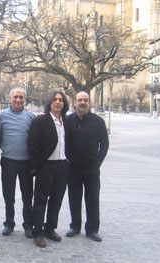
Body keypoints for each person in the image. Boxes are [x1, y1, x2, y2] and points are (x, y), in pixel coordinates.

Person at [28, 91, 69, 248]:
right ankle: (37, 232)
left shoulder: (66, 121)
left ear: (64, 103)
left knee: (56, 200)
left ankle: (50, 228)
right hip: (46, 166)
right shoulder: (41, 121)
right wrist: (39, 166)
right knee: (40, 201)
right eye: (55, 99)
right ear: (50, 103)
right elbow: (32, 146)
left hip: (62, 165)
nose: (57, 102)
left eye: (60, 100)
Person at [66, 91, 109, 242]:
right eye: (79, 100)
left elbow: (104, 144)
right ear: (75, 103)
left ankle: (92, 229)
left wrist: (98, 162)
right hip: (73, 168)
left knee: (92, 199)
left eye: (85, 100)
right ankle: (75, 226)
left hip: (91, 167)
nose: (82, 103)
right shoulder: (68, 120)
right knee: (74, 198)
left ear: (89, 103)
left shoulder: (98, 121)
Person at [0, 87, 35, 238]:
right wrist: (6, 147)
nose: (18, 100)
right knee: (8, 196)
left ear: (25, 99)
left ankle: (28, 225)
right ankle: (9, 223)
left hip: (26, 163)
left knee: (27, 196)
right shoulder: (1, 116)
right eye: (15, 97)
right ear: (10, 98)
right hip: (8, 161)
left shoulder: (31, 116)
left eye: (21, 97)